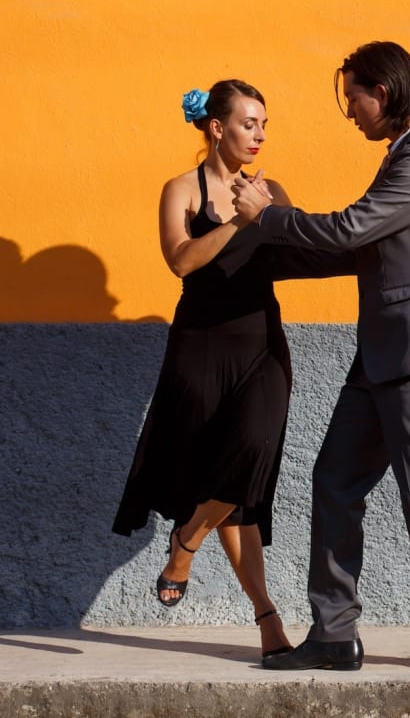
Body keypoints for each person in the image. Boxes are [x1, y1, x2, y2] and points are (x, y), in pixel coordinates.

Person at [223, 41, 410, 677]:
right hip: (380, 356)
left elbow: (347, 230)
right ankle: (334, 633)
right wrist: (259, 258)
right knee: (335, 482)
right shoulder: (403, 158)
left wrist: (273, 215)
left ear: (385, 93)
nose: (351, 115)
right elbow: (359, 252)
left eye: (355, 101)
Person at [111, 79, 345, 665]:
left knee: (254, 450)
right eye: (249, 123)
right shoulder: (181, 189)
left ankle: (186, 539)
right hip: (199, 349)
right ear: (217, 128)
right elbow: (180, 259)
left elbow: (298, 251)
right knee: (233, 495)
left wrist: (350, 247)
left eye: (265, 125)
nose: (260, 135)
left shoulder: (271, 190)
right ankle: (268, 620)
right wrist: (240, 222)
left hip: (261, 342)